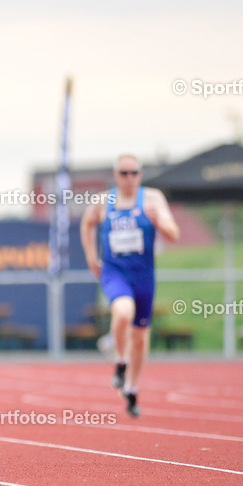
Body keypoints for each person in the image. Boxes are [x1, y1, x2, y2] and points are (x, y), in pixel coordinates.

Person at [81, 154, 179, 417]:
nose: (129, 178)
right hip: (115, 272)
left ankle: (132, 389)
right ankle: (120, 362)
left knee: (140, 337)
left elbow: (174, 234)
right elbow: (87, 223)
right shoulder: (104, 200)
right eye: (123, 173)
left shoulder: (153, 199)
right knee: (123, 311)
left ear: (140, 174)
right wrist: (91, 256)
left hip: (144, 275)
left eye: (133, 172)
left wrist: (158, 221)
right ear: (115, 175)